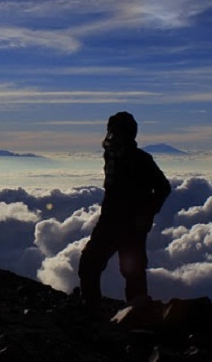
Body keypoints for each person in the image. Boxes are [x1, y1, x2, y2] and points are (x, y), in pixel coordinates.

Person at [78, 111, 171, 307]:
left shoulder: (141, 159)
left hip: (132, 227)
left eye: (116, 131)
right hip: (109, 221)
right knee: (89, 263)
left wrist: (145, 214)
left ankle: (137, 317)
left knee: (133, 273)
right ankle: (91, 308)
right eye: (111, 131)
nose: (112, 136)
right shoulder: (111, 156)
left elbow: (163, 187)